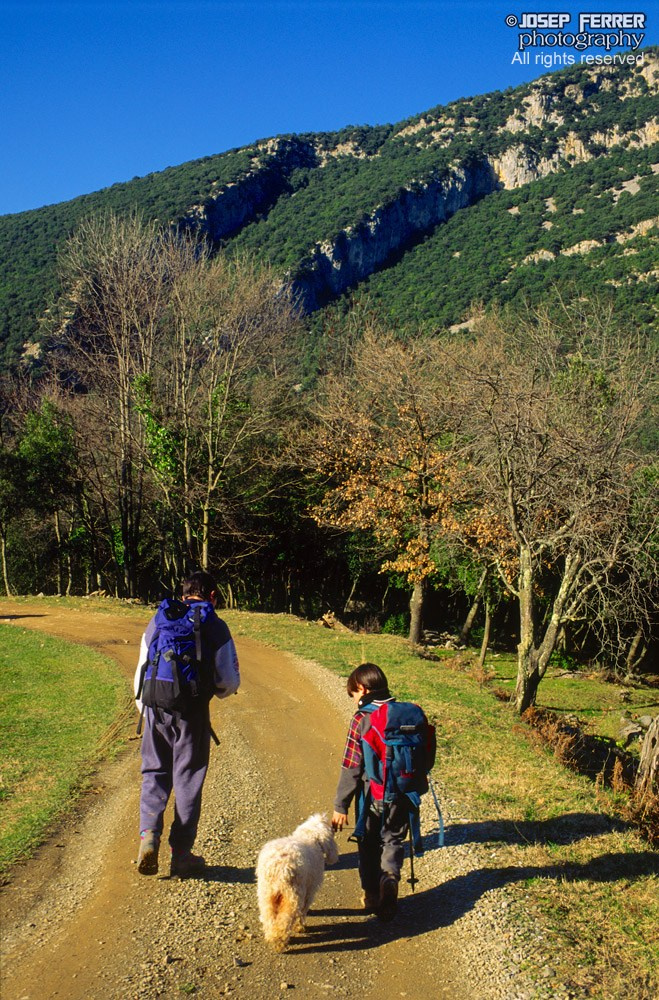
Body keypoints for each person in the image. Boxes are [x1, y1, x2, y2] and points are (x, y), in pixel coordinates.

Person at [134, 570, 240, 877]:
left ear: (183, 594)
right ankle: (180, 854)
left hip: (154, 707)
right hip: (191, 714)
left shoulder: (160, 618)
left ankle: (148, 836)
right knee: (188, 779)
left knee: (154, 773)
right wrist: (210, 691)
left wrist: (146, 706)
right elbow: (229, 681)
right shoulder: (215, 625)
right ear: (212, 596)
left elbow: (143, 666)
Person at [331, 662, 412, 921]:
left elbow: (352, 766)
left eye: (353, 693)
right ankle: (389, 878)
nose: (354, 700)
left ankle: (372, 895)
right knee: (392, 839)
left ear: (363, 689)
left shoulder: (361, 718)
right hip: (403, 793)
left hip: (372, 794)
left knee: (368, 843)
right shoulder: (404, 713)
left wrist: (340, 805)